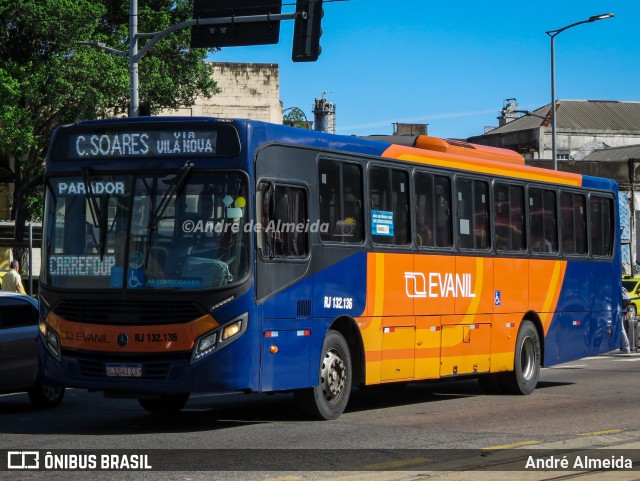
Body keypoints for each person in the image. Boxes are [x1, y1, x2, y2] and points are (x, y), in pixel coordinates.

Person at [621, 287, 632, 354]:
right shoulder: (623, 288)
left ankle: (626, 348)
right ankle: (625, 347)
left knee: (621, 329)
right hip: (623, 308)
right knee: (621, 329)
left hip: (619, 309)